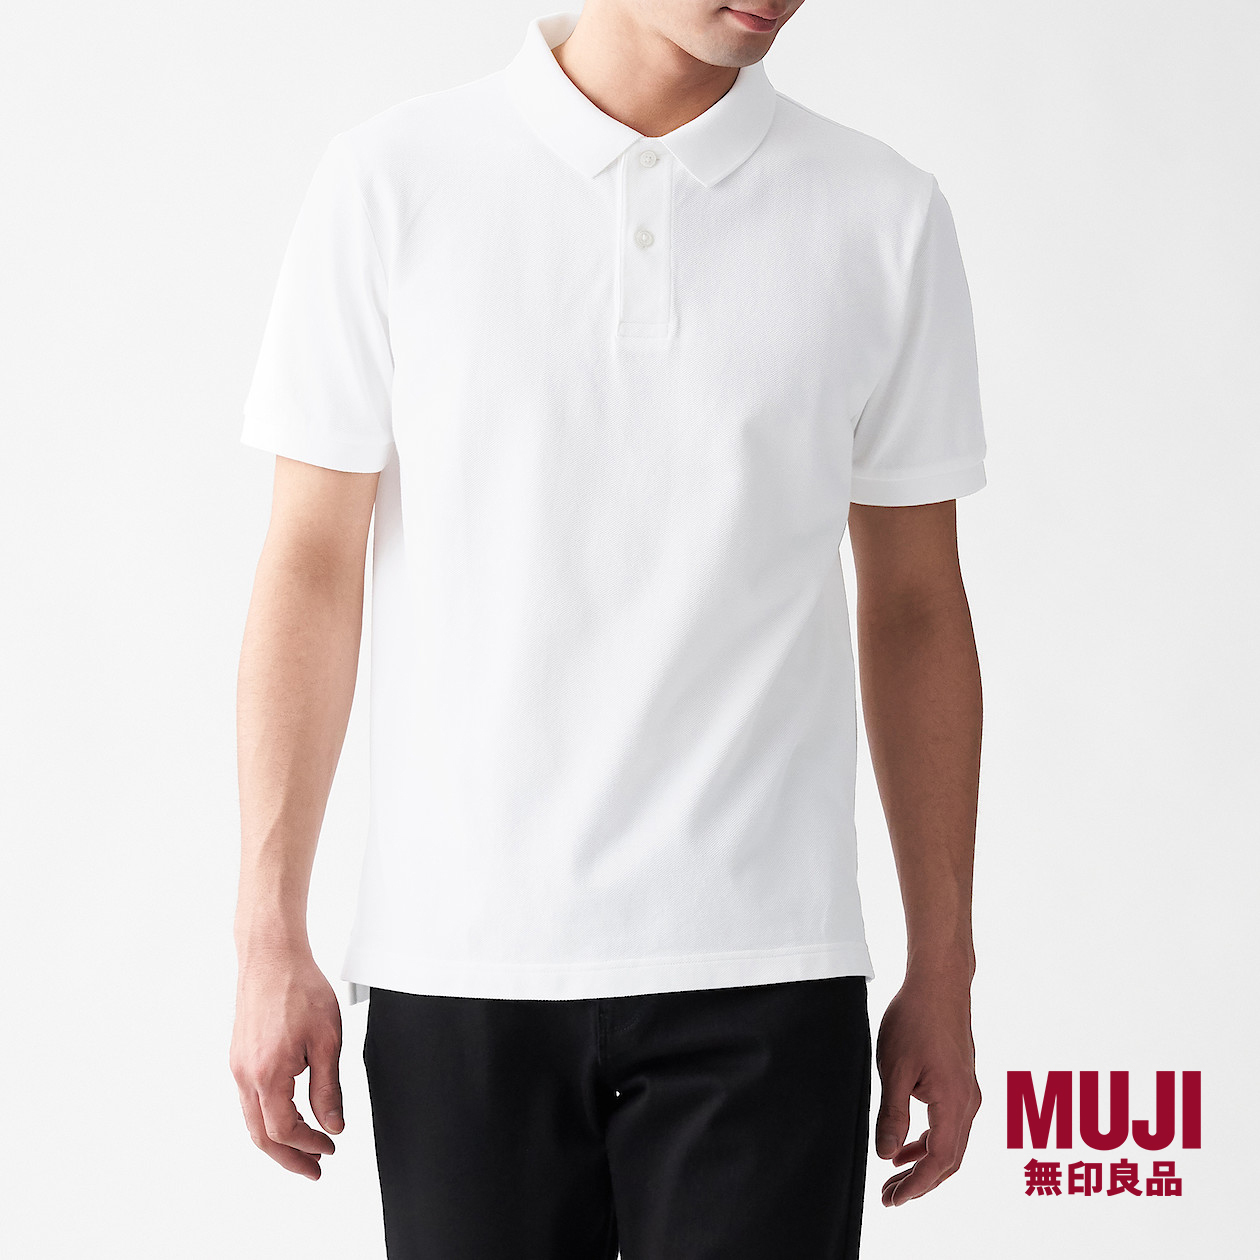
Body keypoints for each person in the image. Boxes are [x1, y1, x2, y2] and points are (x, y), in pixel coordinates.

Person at [229, 2, 986, 1255]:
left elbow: (916, 606)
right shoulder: (391, 182)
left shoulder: (883, 214)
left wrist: (944, 970)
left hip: (766, 971)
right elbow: (310, 565)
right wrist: (269, 933)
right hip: (461, 970)